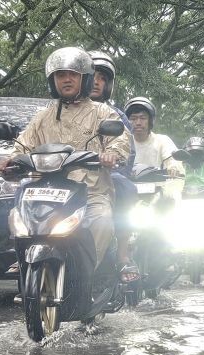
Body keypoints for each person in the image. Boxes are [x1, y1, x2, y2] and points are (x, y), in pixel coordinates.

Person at [0, 47, 131, 268]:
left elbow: (121, 140)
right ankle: (25, 264)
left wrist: (112, 154)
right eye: (60, 74)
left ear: (84, 79)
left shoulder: (103, 113)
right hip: (47, 190)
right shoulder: (43, 116)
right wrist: (10, 161)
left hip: (91, 191)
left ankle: (87, 273)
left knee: (103, 220)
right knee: (17, 215)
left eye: (73, 74)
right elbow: (23, 143)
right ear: (53, 80)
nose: (66, 79)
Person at [89, 51, 139, 282]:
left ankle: (122, 252)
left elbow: (126, 147)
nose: (96, 81)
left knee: (126, 188)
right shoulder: (58, 110)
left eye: (102, 78)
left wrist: (113, 158)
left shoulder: (116, 114)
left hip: (105, 176)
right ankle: (25, 249)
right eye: (91, 76)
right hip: (66, 175)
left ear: (108, 84)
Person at [124, 97, 185, 177]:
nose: (138, 122)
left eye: (143, 118)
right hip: (128, 187)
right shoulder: (123, 143)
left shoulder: (162, 141)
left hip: (158, 187)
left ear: (150, 121)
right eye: (133, 118)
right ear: (127, 121)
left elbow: (173, 159)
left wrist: (173, 166)